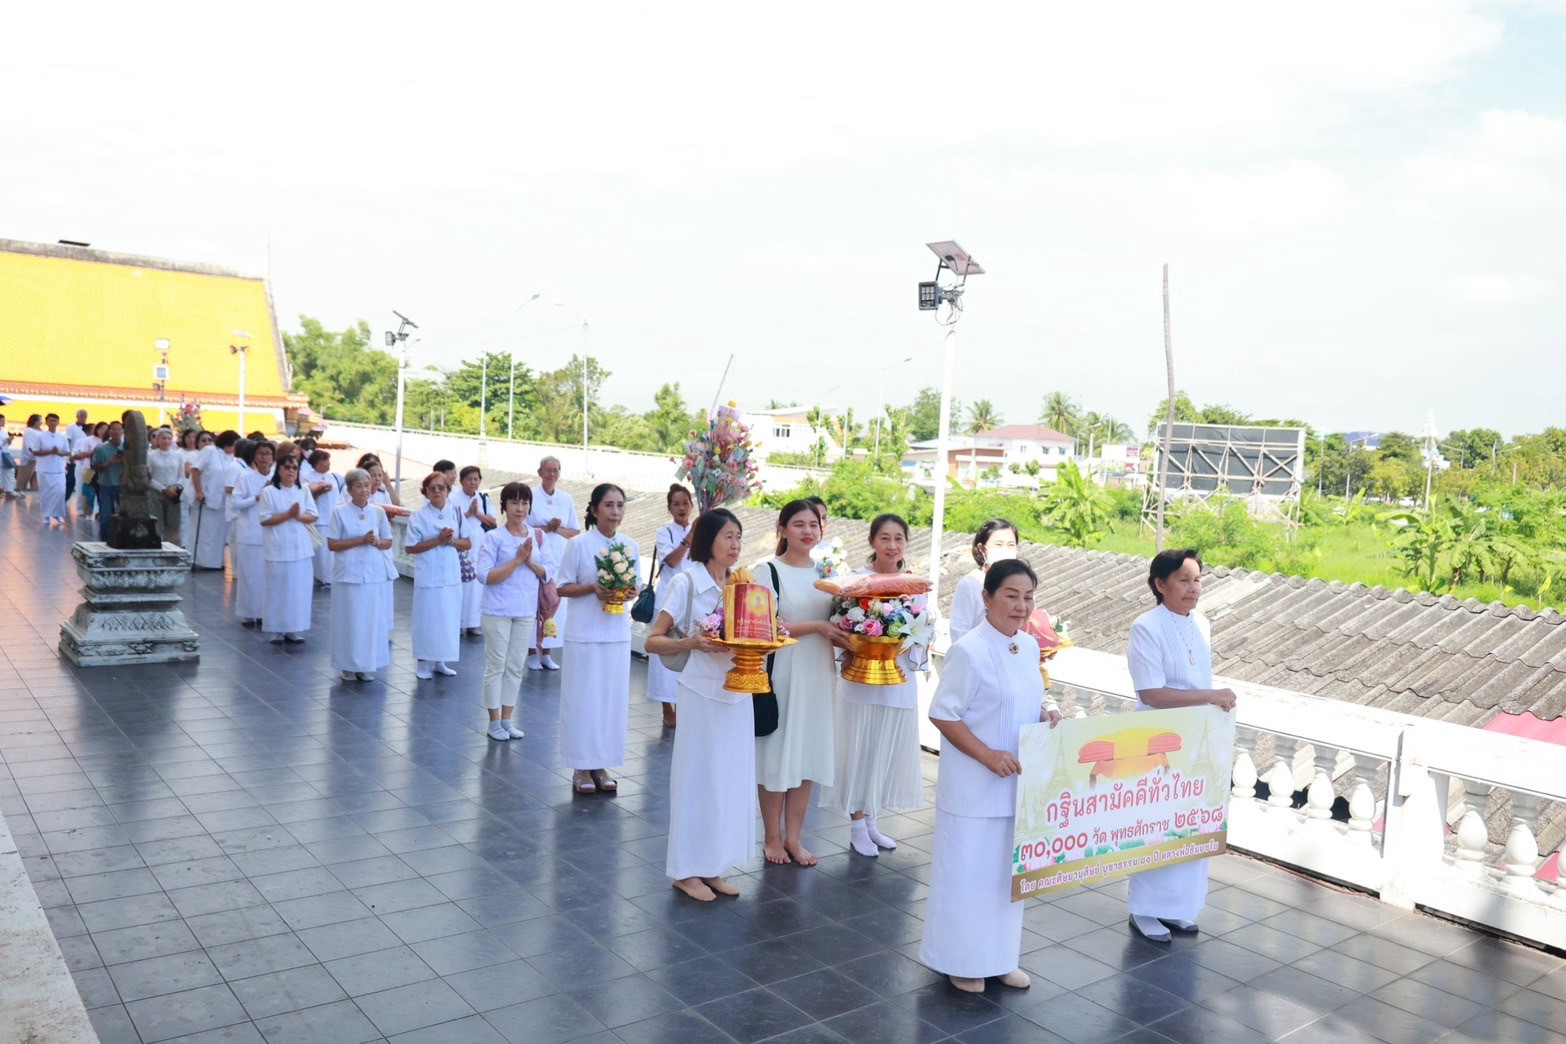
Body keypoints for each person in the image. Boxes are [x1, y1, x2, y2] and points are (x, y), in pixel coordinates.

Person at [920, 558, 1061, 994]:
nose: (1021, 606)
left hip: (1017, 787)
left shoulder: (1029, 647)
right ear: (987, 597)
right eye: (1011, 595)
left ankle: (999, 958)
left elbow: (1025, 699)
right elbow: (943, 714)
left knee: (1004, 880)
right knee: (967, 877)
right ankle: (961, 961)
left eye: (1028, 597)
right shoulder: (969, 650)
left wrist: (1046, 713)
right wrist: (986, 755)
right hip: (974, 788)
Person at [1123, 548, 1238, 943]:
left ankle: (1178, 908)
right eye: (1184, 580)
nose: (1193, 588)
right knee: (1155, 824)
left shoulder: (1202, 623)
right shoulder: (1145, 626)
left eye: (1198, 579)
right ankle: (1145, 910)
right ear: (1160, 584)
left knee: (1190, 823)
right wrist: (1210, 696)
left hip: (1197, 739)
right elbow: (1151, 693)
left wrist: (1210, 703)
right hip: (1158, 741)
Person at [645, 508, 754, 902]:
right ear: (708, 540)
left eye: (738, 537)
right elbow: (652, 640)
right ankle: (685, 871)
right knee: (697, 780)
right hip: (700, 694)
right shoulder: (686, 582)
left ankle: (713, 866)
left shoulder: (743, 585)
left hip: (737, 693)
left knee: (728, 780)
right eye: (728, 536)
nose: (735, 544)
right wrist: (690, 642)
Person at [820, 513, 929, 858]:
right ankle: (856, 826)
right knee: (860, 749)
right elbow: (837, 629)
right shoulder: (853, 583)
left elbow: (923, 633)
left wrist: (907, 639)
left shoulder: (915, 586)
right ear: (872, 541)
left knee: (884, 750)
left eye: (899, 538)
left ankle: (872, 821)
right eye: (885, 538)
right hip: (861, 680)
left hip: (898, 680)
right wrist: (855, 646)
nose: (892, 545)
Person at [757, 499, 850, 866]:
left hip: (818, 672)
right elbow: (763, 626)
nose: (808, 531)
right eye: (798, 524)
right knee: (778, 754)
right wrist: (816, 627)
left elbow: (841, 619)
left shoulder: (828, 572)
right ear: (782, 529)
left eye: (814, 524)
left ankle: (794, 838)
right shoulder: (768, 571)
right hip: (785, 670)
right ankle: (772, 837)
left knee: (808, 753)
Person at [556, 483, 639, 794]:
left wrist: (630, 592)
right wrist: (592, 589)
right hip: (584, 635)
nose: (615, 511)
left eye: (620, 505)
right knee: (583, 701)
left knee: (609, 703)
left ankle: (601, 764)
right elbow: (562, 587)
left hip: (616, 635)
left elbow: (635, 584)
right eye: (608, 505)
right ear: (594, 509)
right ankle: (581, 766)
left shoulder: (630, 545)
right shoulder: (578, 545)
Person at [475, 482, 554, 742]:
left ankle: (507, 719)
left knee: (516, 666)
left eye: (524, 503)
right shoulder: (494, 538)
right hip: (497, 610)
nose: (520, 508)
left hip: (525, 610)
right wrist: (517, 561)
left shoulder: (537, 536)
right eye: (514, 502)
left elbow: (548, 571)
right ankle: (493, 721)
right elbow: (485, 576)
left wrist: (529, 561)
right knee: (496, 665)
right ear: (505, 506)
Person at [326, 469, 393, 682]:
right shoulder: (339, 512)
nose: (364, 490)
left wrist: (377, 542)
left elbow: (388, 541)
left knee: (369, 621)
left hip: (372, 575)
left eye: (366, 485)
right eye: (359, 486)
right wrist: (360, 541)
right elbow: (332, 544)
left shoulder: (378, 512)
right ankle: (347, 665)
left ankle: (365, 665)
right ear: (350, 489)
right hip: (347, 575)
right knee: (349, 620)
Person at [406, 471, 469, 680]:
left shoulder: (456, 512)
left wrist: (451, 541)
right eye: (431, 488)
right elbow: (410, 547)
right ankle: (423, 663)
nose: (436, 491)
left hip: (450, 576)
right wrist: (438, 540)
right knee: (427, 621)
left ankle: (441, 661)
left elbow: (467, 543)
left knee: (448, 620)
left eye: (441, 487)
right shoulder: (418, 516)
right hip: (428, 577)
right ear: (425, 492)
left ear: (448, 490)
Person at [647, 484, 697, 729]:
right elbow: (673, 561)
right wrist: (691, 536)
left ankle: (685, 705)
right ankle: (667, 707)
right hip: (668, 600)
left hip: (693, 599)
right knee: (665, 655)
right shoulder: (664, 532)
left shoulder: (702, 531)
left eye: (685, 503)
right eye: (676, 504)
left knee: (690, 652)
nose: (681, 508)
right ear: (669, 508)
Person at [526, 455, 580, 670]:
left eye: (556, 470)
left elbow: (575, 531)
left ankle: (547, 651)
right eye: (548, 470)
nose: (552, 474)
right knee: (536, 603)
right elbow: (523, 527)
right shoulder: (530, 495)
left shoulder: (566, 498)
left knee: (554, 604)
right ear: (540, 472)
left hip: (559, 559)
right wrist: (546, 528)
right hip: (536, 557)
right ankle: (532, 651)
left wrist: (557, 529)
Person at [259, 455, 317, 644]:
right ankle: (276, 629)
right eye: (287, 467)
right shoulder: (269, 492)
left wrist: (298, 517)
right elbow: (265, 519)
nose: (291, 471)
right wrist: (288, 515)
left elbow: (313, 515)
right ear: (279, 470)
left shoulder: (303, 490)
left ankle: (294, 628)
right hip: (278, 548)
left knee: (298, 591)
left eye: (294, 468)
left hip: (300, 549)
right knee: (277, 590)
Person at [949, 518, 1021, 646]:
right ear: (982, 549)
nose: (1005, 549)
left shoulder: (1022, 583)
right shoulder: (971, 584)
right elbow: (959, 634)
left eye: (1011, 545)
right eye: (999, 544)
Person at [230, 440, 275, 627]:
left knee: (267, 577)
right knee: (249, 575)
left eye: (268, 454)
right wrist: (257, 496)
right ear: (254, 457)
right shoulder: (245, 477)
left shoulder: (277, 478)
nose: (264, 457)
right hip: (249, 532)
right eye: (260, 454)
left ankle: (265, 612)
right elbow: (236, 503)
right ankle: (249, 613)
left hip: (271, 533)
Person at [451, 465, 496, 637]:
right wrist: (468, 514)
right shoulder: (454, 498)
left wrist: (476, 513)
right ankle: (458, 623)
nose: (472, 482)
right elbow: (452, 520)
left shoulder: (483, 498)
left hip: (480, 548)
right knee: (462, 587)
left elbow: (492, 521)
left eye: (476, 479)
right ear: (462, 481)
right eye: (469, 479)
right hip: (462, 548)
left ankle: (473, 623)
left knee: (477, 589)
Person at [189, 430, 237, 569]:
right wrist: (199, 491)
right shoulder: (210, 451)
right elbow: (196, 470)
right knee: (206, 532)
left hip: (222, 501)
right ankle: (201, 561)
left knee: (218, 534)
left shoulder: (230, 458)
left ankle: (216, 562)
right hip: (206, 498)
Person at [304, 450, 343, 586]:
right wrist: (319, 491)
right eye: (325, 460)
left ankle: (330, 578)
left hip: (333, 517)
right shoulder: (307, 477)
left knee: (331, 553)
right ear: (317, 463)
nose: (328, 463)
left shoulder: (333, 476)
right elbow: (306, 497)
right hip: (319, 519)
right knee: (320, 552)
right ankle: (319, 578)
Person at [147, 426, 184, 544]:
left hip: (173, 493)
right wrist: (163, 488)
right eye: (163, 438)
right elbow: (148, 477)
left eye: (169, 438)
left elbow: (182, 476)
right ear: (157, 440)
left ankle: (172, 545)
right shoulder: (150, 455)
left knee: (173, 523)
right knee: (156, 521)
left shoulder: (178, 456)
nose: (166, 441)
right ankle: (155, 544)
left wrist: (175, 486)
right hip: (156, 492)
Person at [33, 413, 72, 526]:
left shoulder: (62, 437)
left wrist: (58, 452)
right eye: (50, 420)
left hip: (58, 469)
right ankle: (46, 515)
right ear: (46, 422)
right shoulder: (40, 436)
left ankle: (57, 514)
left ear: (58, 422)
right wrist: (50, 452)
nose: (53, 422)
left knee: (60, 491)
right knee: (45, 493)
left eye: (55, 420)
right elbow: (35, 451)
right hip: (44, 469)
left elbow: (67, 452)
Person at [63, 408, 89, 503]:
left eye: (85, 417)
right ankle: (64, 499)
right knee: (71, 480)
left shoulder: (87, 428)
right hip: (74, 457)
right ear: (77, 417)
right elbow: (68, 441)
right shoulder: (71, 427)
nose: (83, 418)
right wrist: (70, 455)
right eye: (81, 416)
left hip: (84, 458)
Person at [14, 414, 41, 495]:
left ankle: (36, 495)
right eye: (40, 420)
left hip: (38, 459)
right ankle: (18, 492)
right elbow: (29, 444)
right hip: (29, 458)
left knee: (36, 480)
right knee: (23, 478)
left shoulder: (39, 431)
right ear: (35, 421)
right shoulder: (29, 431)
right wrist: (32, 453)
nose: (41, 422)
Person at [0, 414, 15, 500]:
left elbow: (7, 444)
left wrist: (9, 440)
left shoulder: (3, 431)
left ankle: (9, 491)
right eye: (2, 420)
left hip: (5, 454)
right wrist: (6, 441)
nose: (3, 422)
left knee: (8, 471)